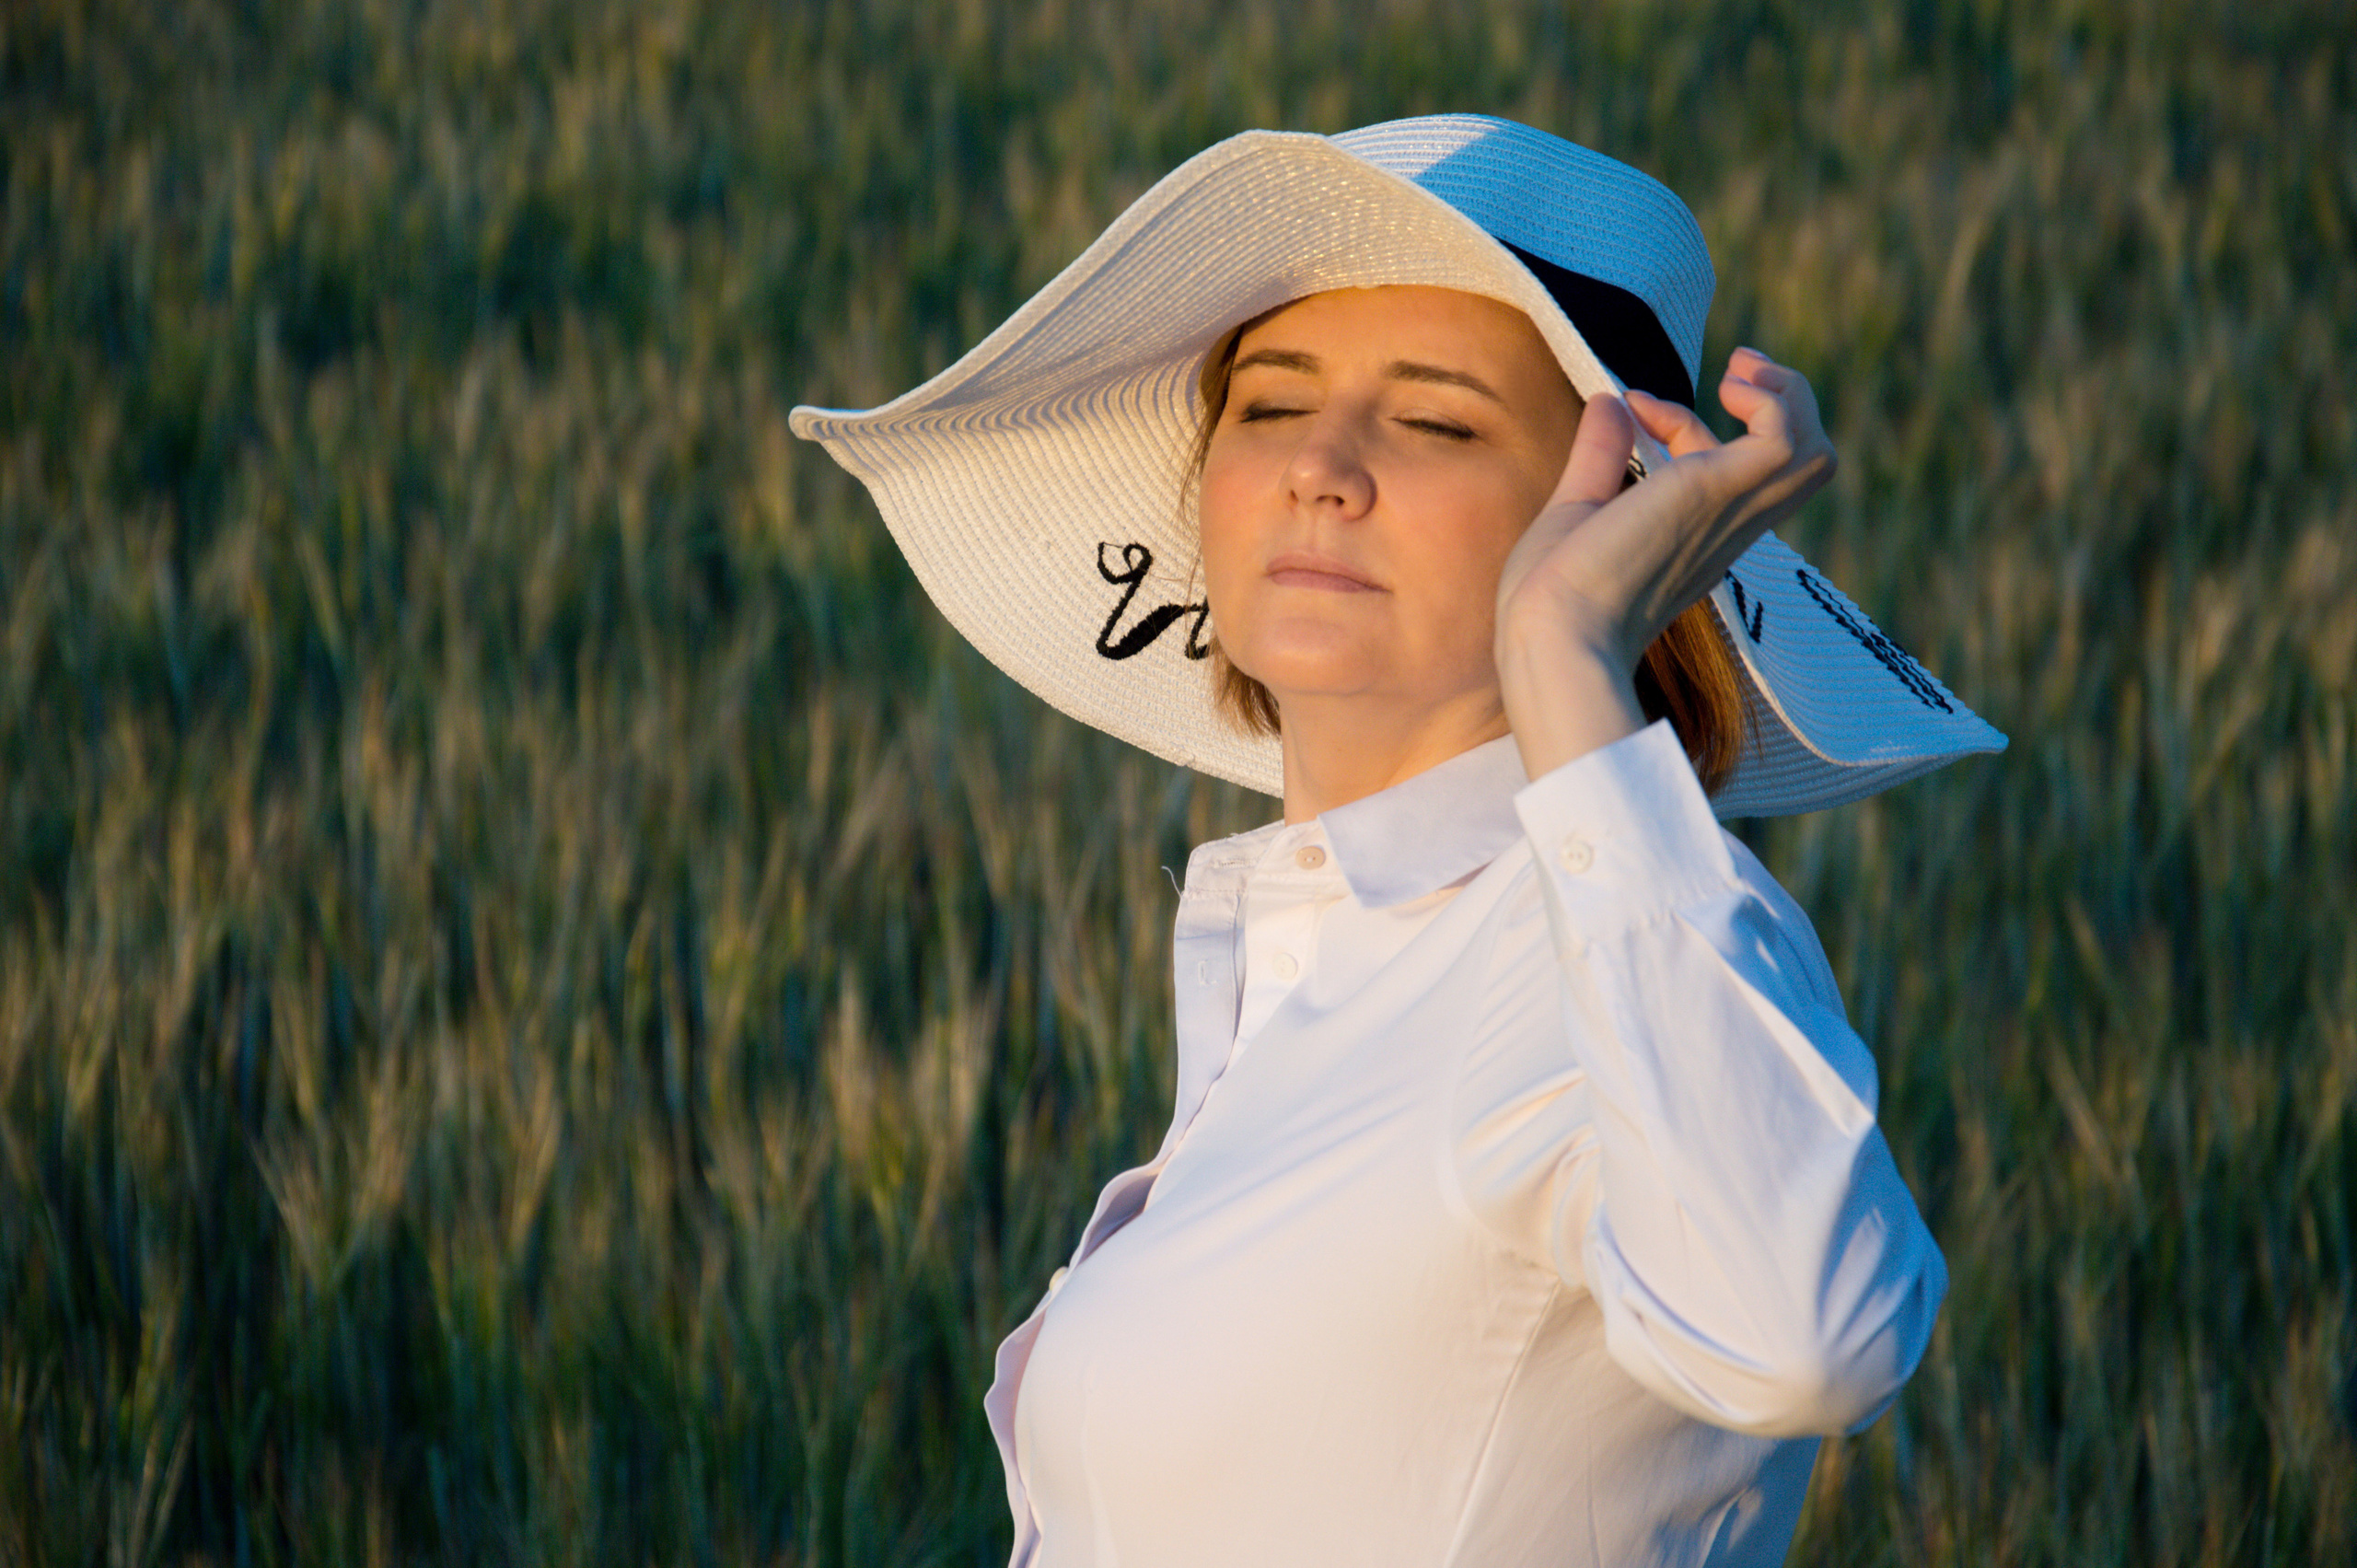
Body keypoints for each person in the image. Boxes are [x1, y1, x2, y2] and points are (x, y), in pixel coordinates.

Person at [794, 115, 2005, 1568]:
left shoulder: (1576, 955)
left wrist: (1567, 653)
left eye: (1435, 421)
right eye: (1267, 404)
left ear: (1626, 520)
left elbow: (1821, 1340)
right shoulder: (1315, 961)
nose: (1321, 467)